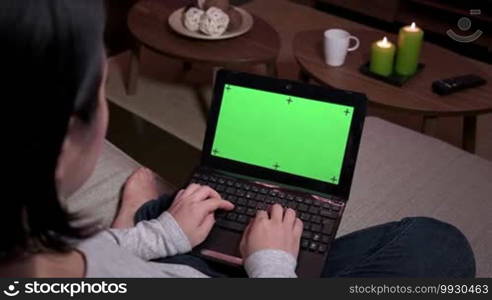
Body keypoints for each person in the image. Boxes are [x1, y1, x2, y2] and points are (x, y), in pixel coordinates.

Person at [0, 0, 475, 278]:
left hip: (168, 256)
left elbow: (97, 260)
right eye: (101, 89)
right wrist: (270, 263)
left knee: (173, 207)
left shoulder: (40, 256)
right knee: (437, 246)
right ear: (63, 143)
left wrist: (159, 232)